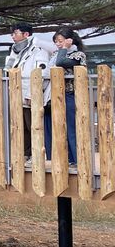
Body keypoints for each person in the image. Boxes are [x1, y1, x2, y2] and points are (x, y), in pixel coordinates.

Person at [4, 23, 49, 165]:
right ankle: (25, 155)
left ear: (26, 35)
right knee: (21, 128)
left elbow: (42, 73)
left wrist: (31, 94)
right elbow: (8, 69)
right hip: (17, 96)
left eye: (15, 33)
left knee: (33, 127)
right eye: (12, 34)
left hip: (30, 96)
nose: (13, 36)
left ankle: (36, 156)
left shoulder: (39, 51)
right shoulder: (15, 51)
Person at [45, 27, 88, 169]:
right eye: (56, 41)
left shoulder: (78, 55)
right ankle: (63, 158)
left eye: (60, 41)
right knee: (55, 128)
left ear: (70, 40)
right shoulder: (56, 54)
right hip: (55, 95)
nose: (57, 44)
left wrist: (64, 48)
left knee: (71, 128)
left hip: (71, 95)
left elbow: (61, 63)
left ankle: (77, 160)